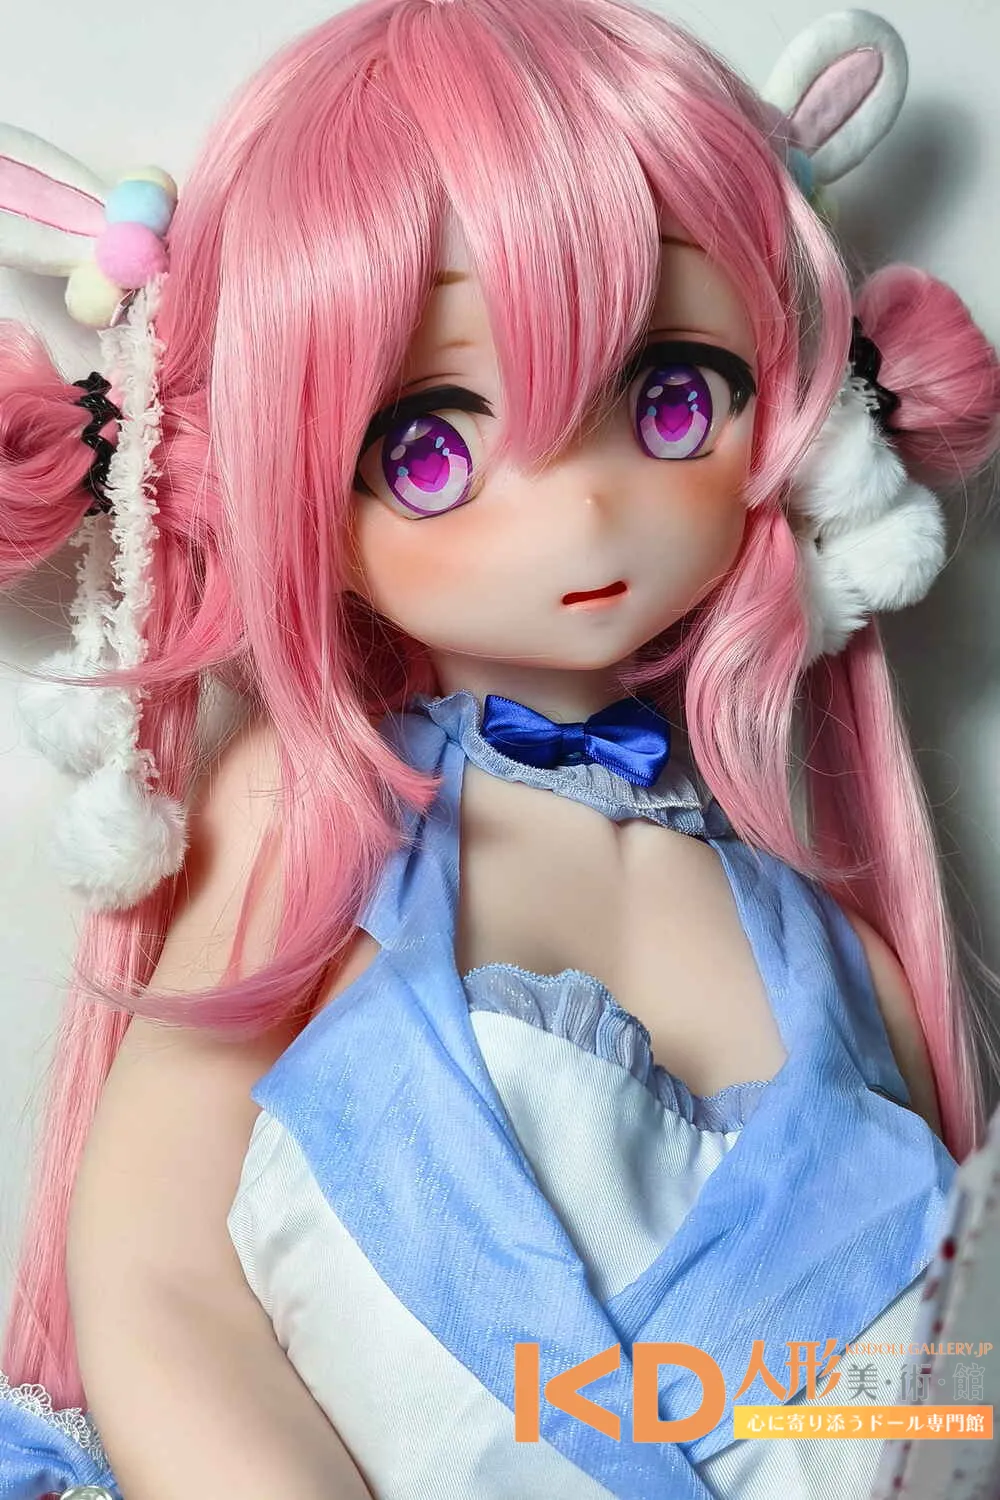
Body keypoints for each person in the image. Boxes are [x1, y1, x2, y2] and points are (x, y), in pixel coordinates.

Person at [0, 0, 998, 1496]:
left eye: (672, 398)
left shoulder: (855, 972)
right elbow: (156, 1283)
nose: (582, 510)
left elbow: (945, 1402)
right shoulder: (314, 822)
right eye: (431, 448)